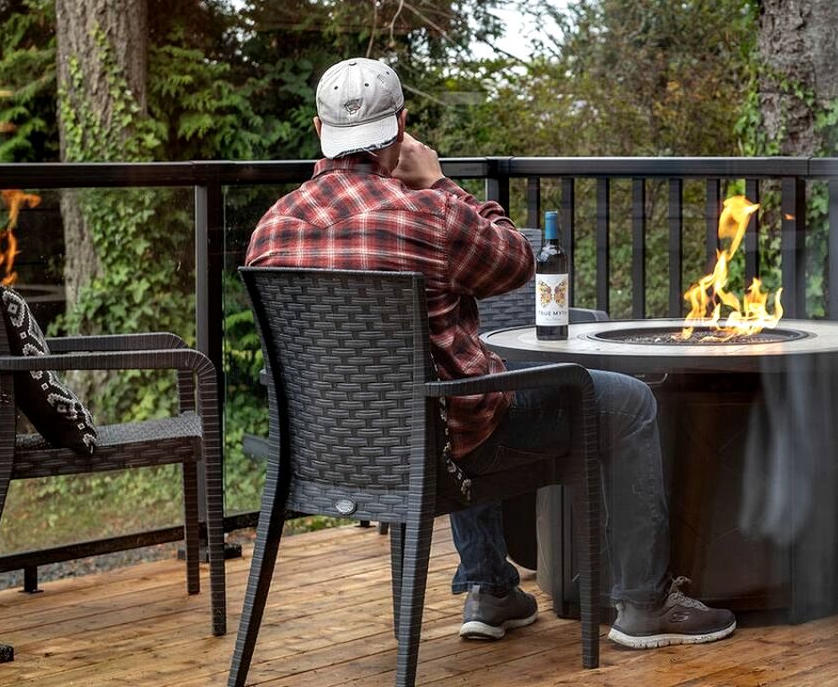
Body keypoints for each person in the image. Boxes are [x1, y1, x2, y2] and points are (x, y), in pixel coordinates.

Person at [245, 57, 736, 650]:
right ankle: (645, 604)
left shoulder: (271, 229)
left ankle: (491, 588)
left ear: (320, 132)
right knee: (626, 403)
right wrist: (441, 182)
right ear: (400, 128)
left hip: (328, 452)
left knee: (461, 373)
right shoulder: (429, 213)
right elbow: (517, 262)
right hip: (446, 447)